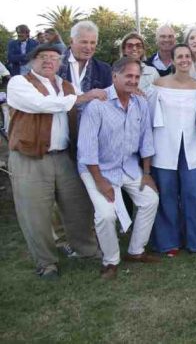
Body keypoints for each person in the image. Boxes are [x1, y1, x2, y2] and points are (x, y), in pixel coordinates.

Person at [6, 44, 105, 279]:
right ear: (32, 61)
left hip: (63, 156)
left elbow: (87, 107)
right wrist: (82, 97)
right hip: (30, 157)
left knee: (78, 206)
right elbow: (42, 105)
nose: (49, 61)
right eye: (43, 57)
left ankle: (87, 250)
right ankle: (46, 262)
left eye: (53, 57)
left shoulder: (66, 86)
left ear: (60, 63)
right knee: (35, 214)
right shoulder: (19, 83)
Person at [78, 57, 160, 280]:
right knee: (105, 215)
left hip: (128, 166)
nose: (133, 81)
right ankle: (111, 260)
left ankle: (136, 251)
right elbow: (87, 150)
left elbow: (146, 139)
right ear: (115, 77)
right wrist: (100, 181)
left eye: (136, 77)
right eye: (128, 76)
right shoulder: (97, 105)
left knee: (150, 200)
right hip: (97, 168)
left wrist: (146, 173)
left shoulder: (140, 102)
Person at [149, 44, 196, 256]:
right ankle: (168, 243)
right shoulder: (159, 84)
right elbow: (151, 118)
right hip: (164, 147)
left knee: (194, 194)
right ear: (173, 60)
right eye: (179, 56)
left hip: (191, 148)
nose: (184, 59)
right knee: (166, 194)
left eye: (187, 56)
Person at [58, 21, 112, 96]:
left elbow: (108, 100)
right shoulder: (55, 65)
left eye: (92, 43)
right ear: (71, 41)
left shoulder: (104, 70)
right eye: (84, 42)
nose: (88, 47)